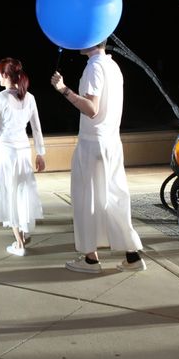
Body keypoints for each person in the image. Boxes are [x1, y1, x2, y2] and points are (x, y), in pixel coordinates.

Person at [51, 41, 145, 274]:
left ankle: (90, 259)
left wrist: (64, 89)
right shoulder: (113, 67)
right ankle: (132, 256)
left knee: (86, 200)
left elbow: (91, 109)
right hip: (112, 142)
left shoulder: (94, 67)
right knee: (114, 199)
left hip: (93, 145)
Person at [0, 58, 45, 256]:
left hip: (6, 152)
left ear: (6, 75)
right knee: (23, 192)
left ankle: (19, 243)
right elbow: (37, 128)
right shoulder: (29, 97)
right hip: (24, 150)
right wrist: (40, 153)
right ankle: (23, 234)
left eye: (0, 74)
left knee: (10, 193)